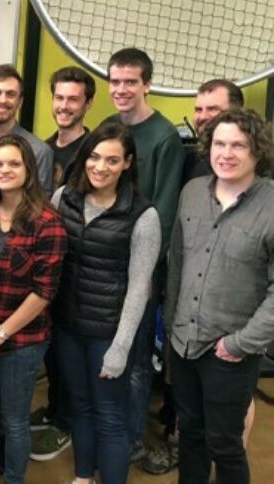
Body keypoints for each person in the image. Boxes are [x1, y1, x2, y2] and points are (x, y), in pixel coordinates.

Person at [142, 78, 246, 476]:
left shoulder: (263, 189)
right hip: (185, 313)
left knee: (225, 437)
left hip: (232, 326)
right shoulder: (192, 171)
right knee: (192, 426)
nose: (202, 118)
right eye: (198, 109)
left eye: (212, 110)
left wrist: (247, 337)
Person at [165, 108, 274, 484]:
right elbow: (177, 261)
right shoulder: (193, 192)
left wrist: (241, 343)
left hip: (230, 351)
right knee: (189, 436)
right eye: (219, 143)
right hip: (184, 344)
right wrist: (170, 330)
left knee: (225, 444)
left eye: (238, 145)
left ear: (257, 150)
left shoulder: (271, 206)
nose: (226, 153)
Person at [50, 123, 161, 484]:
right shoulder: (63, 197)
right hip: (68, 327)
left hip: (108, 335)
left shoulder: (143, 216)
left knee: (110, 415)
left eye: (112, 160)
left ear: (127, 163)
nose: (100, 167)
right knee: (79, 407)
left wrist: (121, 347)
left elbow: (139, 288)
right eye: (94, 157)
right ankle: (83, 477)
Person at [0, 134, 67, 484]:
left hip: (23, 341)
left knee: (15, 420)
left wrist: (2, 332)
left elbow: (44, 291)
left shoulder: (47, 223)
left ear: (29, 169)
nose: (4, 170)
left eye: (13, 163)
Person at [102, 47, 184, 462]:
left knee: (135, 361)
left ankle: (131, 440)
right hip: (103, 266)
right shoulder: (108, 127)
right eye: (114, 81)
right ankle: (108, 430)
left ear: (147, 84)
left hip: (140, 270)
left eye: (130, 81)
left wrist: (147, 273)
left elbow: (165, 212)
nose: (120, 89)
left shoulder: (165, 138)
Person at [29, 66, 96, 463]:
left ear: (87, 103)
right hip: (43, 267)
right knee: (53, 350)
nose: (64, 106)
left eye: (73, 99)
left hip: (79, 271)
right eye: (59, 98)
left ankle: (67, 423)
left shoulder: (94, 153)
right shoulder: (42, 149)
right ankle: (55, 409)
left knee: (73, 354)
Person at [0, 64, 54, 194]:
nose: (2, 100)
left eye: (10, 94)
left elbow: (40, 206)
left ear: (20, 102)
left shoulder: (38, 152)